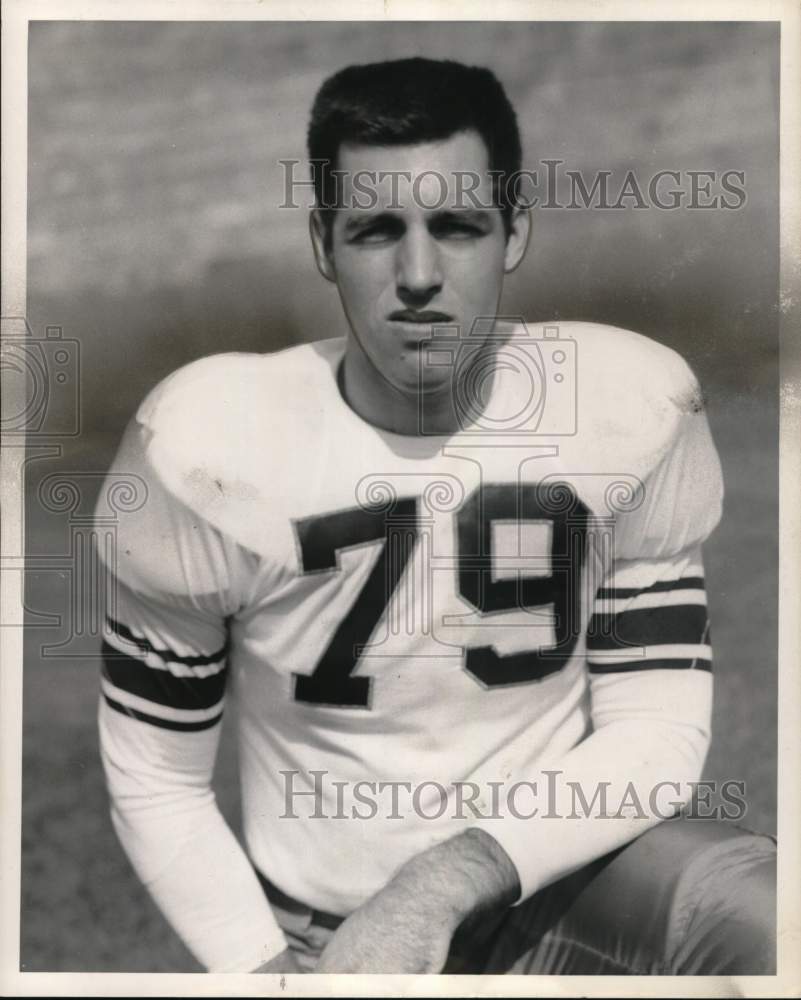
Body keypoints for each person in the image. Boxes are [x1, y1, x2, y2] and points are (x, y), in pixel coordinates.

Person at [96, 57, 776, 975]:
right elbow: (159, 778)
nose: (418, 274)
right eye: (377, 230)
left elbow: (652, 727)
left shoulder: (625, 407)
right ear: (321, 243)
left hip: (555, 877)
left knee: (768, 920)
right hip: (325, 923)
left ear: (515, 231)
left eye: (457, 225)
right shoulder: (204, 449)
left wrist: (447, 879)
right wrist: (262, 968)